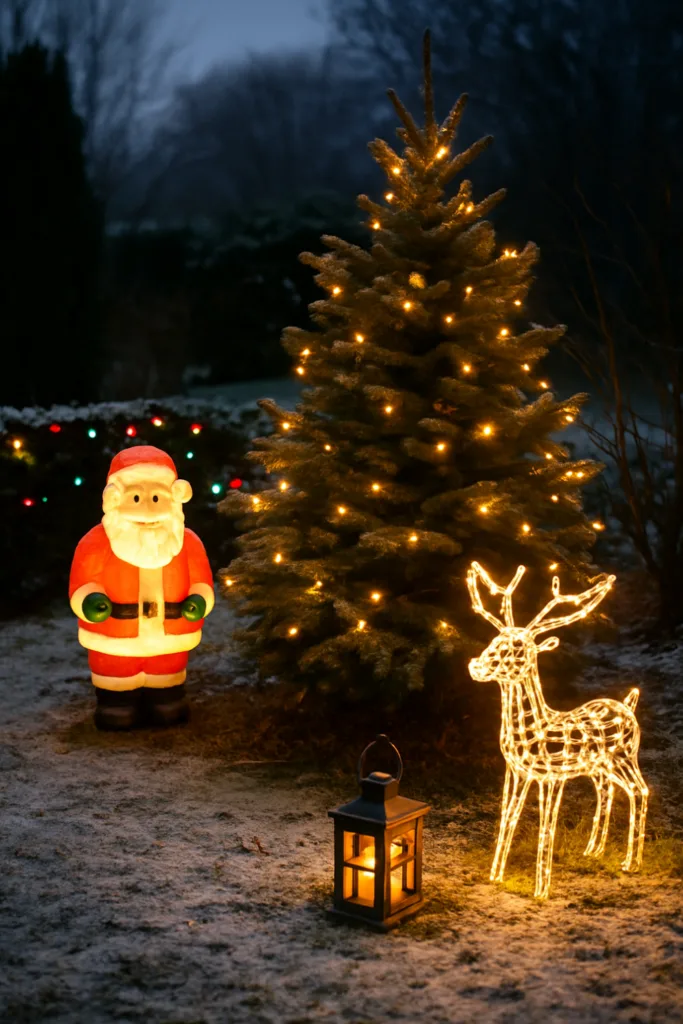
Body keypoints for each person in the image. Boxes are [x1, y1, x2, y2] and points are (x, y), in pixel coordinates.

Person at [69, 446, 214, 730]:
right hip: (114, 634)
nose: (148, 509)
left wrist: (199, 600)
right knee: (116, 672)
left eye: (157, 497)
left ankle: (167, 701)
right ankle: (116, 704)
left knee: (167, 672)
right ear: (115, 498)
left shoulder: (188, 543)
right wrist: (89, 600)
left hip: (171, 633)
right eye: (136, 497)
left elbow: (201, 580)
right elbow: (83, 579)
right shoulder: (97, 543)